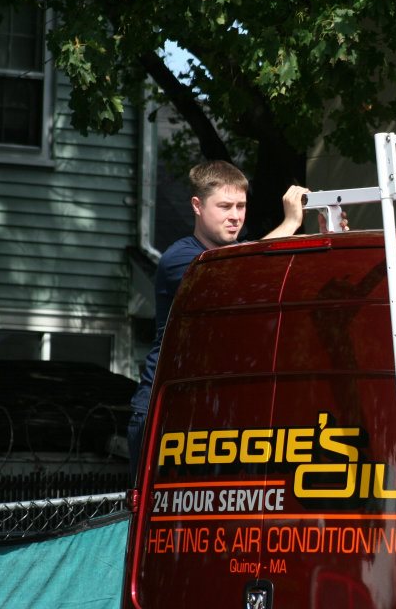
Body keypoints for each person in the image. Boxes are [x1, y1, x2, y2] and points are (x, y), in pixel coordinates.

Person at [127, 161, 340, 478]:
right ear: (197, 206)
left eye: (241, 205)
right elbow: (240, 269)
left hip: (216, 409)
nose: (235, 216)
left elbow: (289, 275)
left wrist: (330, 238)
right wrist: (291, 222)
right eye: (224, 206)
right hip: (164, 409)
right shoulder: (181, 257)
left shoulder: (246, 253)